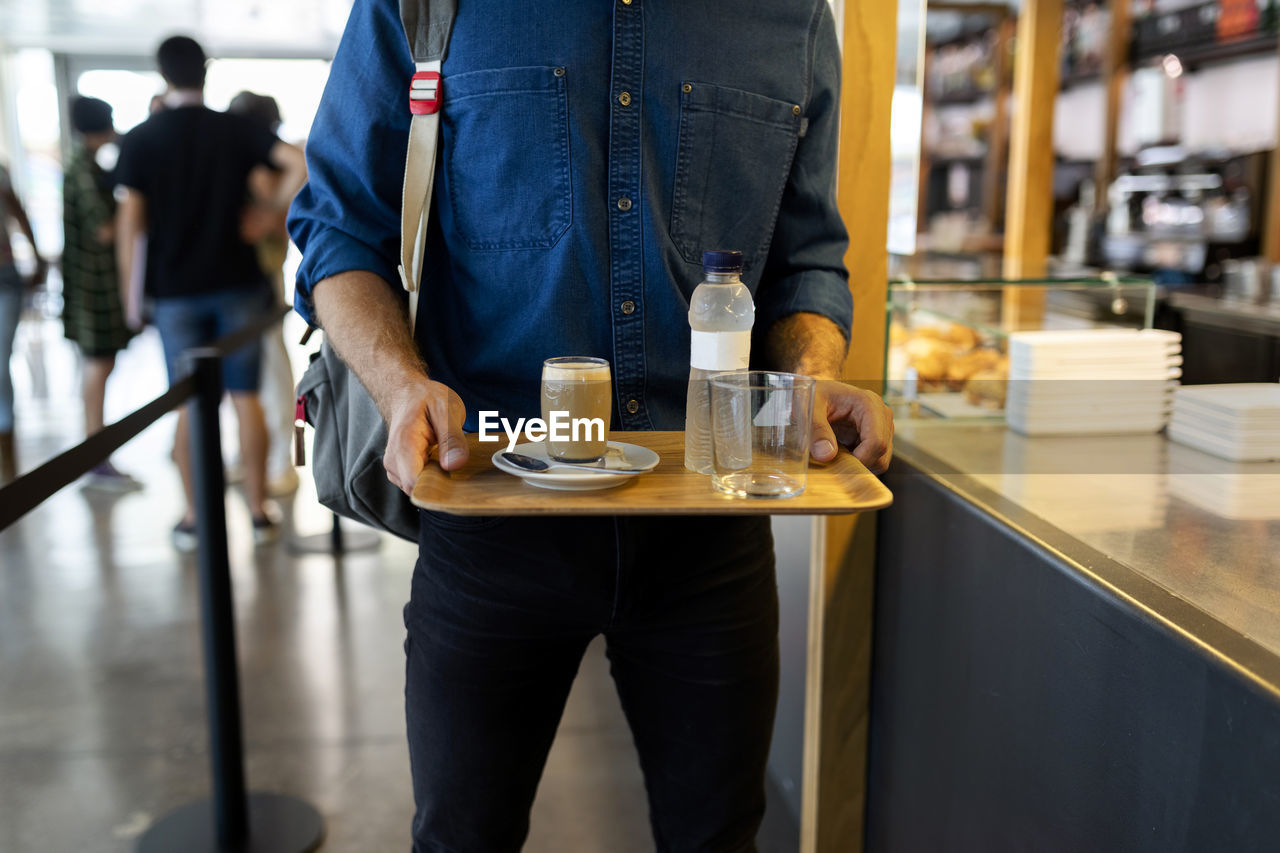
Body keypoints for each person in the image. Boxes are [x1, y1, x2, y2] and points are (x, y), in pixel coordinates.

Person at [288, 1, 894, 850]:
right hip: (489, 511)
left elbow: (807, 263)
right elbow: (338, 228)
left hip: (707, 530)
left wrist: (812, 380)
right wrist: (400, 385)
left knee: (718, 835)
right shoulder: (424, 5)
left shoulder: (789, 15)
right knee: (463, 835)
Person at [114, 35, 307, 550]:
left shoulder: (140, 138)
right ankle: (260, 511)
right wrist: (269, 216)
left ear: (162, 74)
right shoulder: (233, 129)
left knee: (189, 406)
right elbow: (298, 163)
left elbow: (131, 223)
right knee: (246, 399)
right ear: (206, 70)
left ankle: (195, 517)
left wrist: (130, 301)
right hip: (238, 285)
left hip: (175, 292)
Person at [61, 95, 140, 491]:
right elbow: (105, 230)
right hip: (93, 287)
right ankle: (95, 456)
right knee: (97, 366)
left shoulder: (88, 166)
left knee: (99, 366)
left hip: (95, 285)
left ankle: (97, 452)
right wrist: (136, 203)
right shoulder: (83, 170)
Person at [228, 91, 302, 496]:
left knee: (269, 368)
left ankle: (278, 461)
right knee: (253, 375)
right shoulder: (255, 159)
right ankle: (257, 456)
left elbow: (277, 221)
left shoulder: (263, 164)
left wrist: (271, 211)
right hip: (250, 277)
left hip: (260, 277)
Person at [0, 162, 49, 484]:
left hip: (4, 277)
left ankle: (9, 463)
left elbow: (16, 209)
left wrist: (37, 256)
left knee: (1, 366)